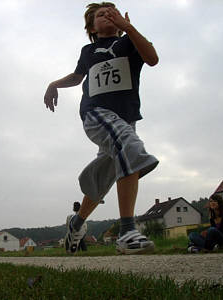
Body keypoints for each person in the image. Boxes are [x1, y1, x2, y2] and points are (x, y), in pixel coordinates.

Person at [44, 2, 159, 254]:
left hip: (125, 119)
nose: (107, 15)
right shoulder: (88, 50)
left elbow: (152, 59)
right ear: (91, 27)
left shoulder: (128, 42)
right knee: (129, 147)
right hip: (95, 113)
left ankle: (77, 223)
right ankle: (127, 231)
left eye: (111, 12)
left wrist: (129, 28)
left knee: (104, 177)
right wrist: (54, 83)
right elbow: (77, 77)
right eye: (100, 14)